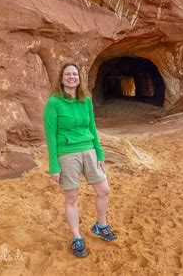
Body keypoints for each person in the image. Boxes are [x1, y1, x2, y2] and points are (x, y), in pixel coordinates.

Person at [43, 62, 117, 258]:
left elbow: (93, 128)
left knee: (104, 190)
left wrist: (100, 154)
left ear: (79, 78)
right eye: (67, 74)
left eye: (75, 74)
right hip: (67, 153)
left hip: (89, 149)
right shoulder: (53, 103)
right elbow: (50, 136)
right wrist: (53, 165)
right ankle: (77, 237)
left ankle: (101, 225)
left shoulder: (86, 101)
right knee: (71, 197)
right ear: (61, 78)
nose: (71, 77)